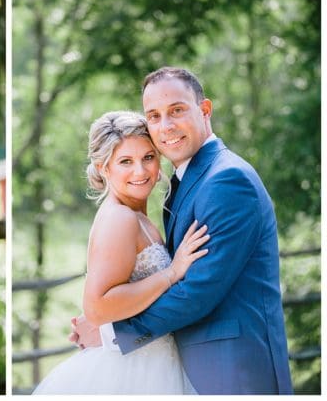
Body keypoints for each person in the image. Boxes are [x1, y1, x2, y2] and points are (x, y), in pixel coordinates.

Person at [70, 68, 293, 394]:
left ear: (204, 110)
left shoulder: (226, 180)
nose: (166, 126)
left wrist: (112, 333)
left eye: (176, 110)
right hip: (191, 369)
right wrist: (108, 315)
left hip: (234, 369)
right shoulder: (187, 182)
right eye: (154, 116)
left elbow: (198, 292)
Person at [33, 111, 209, 394]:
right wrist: (172, 273)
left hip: (155, 359)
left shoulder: (137, 216)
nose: (140, 172)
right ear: (104, 167)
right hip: (135, 371)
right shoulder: (120, 219)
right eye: (125, 161)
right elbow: (98, 306)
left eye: (148, 158)